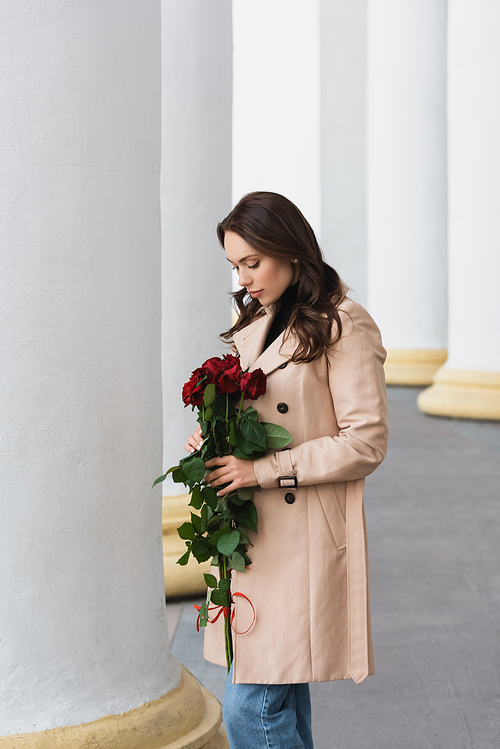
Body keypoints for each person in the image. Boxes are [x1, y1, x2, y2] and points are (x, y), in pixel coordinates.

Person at [184, 191, 389, 749]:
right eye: (235, 266)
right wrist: (215, 432)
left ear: (291, 249)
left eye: (254, 262)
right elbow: (267, 407)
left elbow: (366, 442)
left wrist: (266, 470)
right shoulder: (259, 320)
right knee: (279, 695)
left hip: (302, 536)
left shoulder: (345, 324)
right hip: (254, 531)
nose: (245, 277)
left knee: (252, 708)